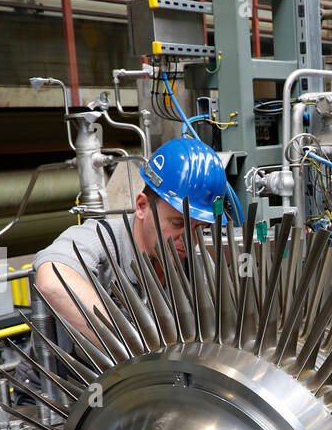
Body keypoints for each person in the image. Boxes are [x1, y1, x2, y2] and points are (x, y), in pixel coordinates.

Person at [32, 138, 228, 349]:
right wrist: (134, 353)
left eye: (200, 228)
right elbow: (52, 282)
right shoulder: (98, 240)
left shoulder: (197, 263)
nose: (189, 239)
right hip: (65, 380)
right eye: (177, 222)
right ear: (142, 206)